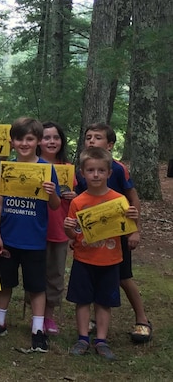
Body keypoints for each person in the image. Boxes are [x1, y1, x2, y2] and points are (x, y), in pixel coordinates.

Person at [0, 117, 61, 353]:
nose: (24, 143)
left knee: (36, 286)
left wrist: (52, 192)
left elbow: (55, 206)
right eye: (19, 139)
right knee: (5, 283)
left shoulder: (47, 170)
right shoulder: (8, 169)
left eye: (30, 139)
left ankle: (37, 329)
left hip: (34, 240)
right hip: (8, 237)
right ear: (12, 142)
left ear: (37, 142)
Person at [76, 123, 150, 343]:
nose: (91, 141)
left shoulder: (117, 168)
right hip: (92, 235)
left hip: (118, 234)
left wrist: (135, 230)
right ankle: (90, 323)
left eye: (97, 137)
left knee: (123, 277)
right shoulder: (82, 169)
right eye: (88, 137)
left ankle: (142, 319)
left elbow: (132, 198)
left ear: (109, 144)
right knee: (90, 277)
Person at [64, 147, 139, 360]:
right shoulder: (78, 201)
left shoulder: (119, 200)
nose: (95, 175)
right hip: (84, 259)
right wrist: (68, 226)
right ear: (82, 173)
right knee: (82, 300)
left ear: (109, 173)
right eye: (90, 170)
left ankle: (101, 340)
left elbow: (128, 228)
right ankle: (82, 338)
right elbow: (72, 233)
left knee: (104, 301)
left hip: (110, 259)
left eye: (100, 170)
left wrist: (134, 223)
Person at [38, 121, 77, 334]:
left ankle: (49, 316)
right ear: (38, 141)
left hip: (59, 229)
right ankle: (36, 315)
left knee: (55, 275)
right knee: (37, 273)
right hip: (36, 228)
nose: (51, 141)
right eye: (46, 137)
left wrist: (75, 197)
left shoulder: (68, 168)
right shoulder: (31, 164)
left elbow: (81, 202)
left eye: (56, 137)